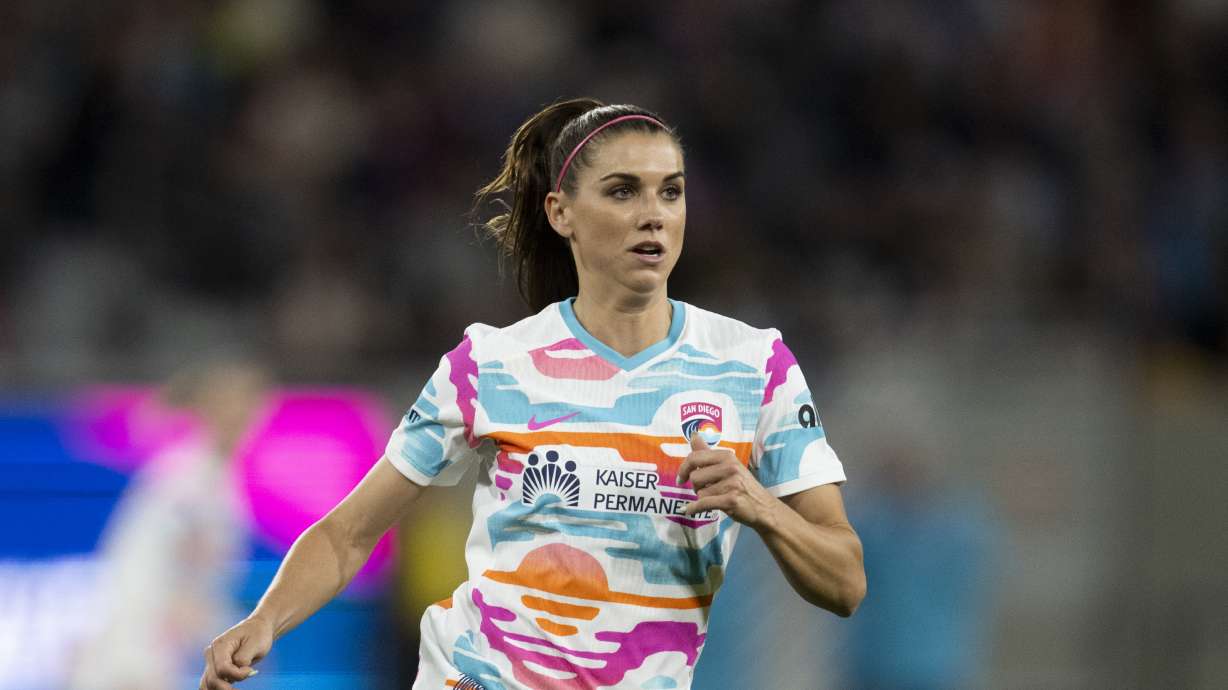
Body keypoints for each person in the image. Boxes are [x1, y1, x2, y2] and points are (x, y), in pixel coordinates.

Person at [199, 98, 865, 690]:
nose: (654, 216)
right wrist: (263, 623)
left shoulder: (754, 366)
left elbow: (845, 582)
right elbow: (348, 535)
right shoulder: (491, 362)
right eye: (623, 192)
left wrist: (760, 507)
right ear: (561, 213)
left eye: (671, 192)